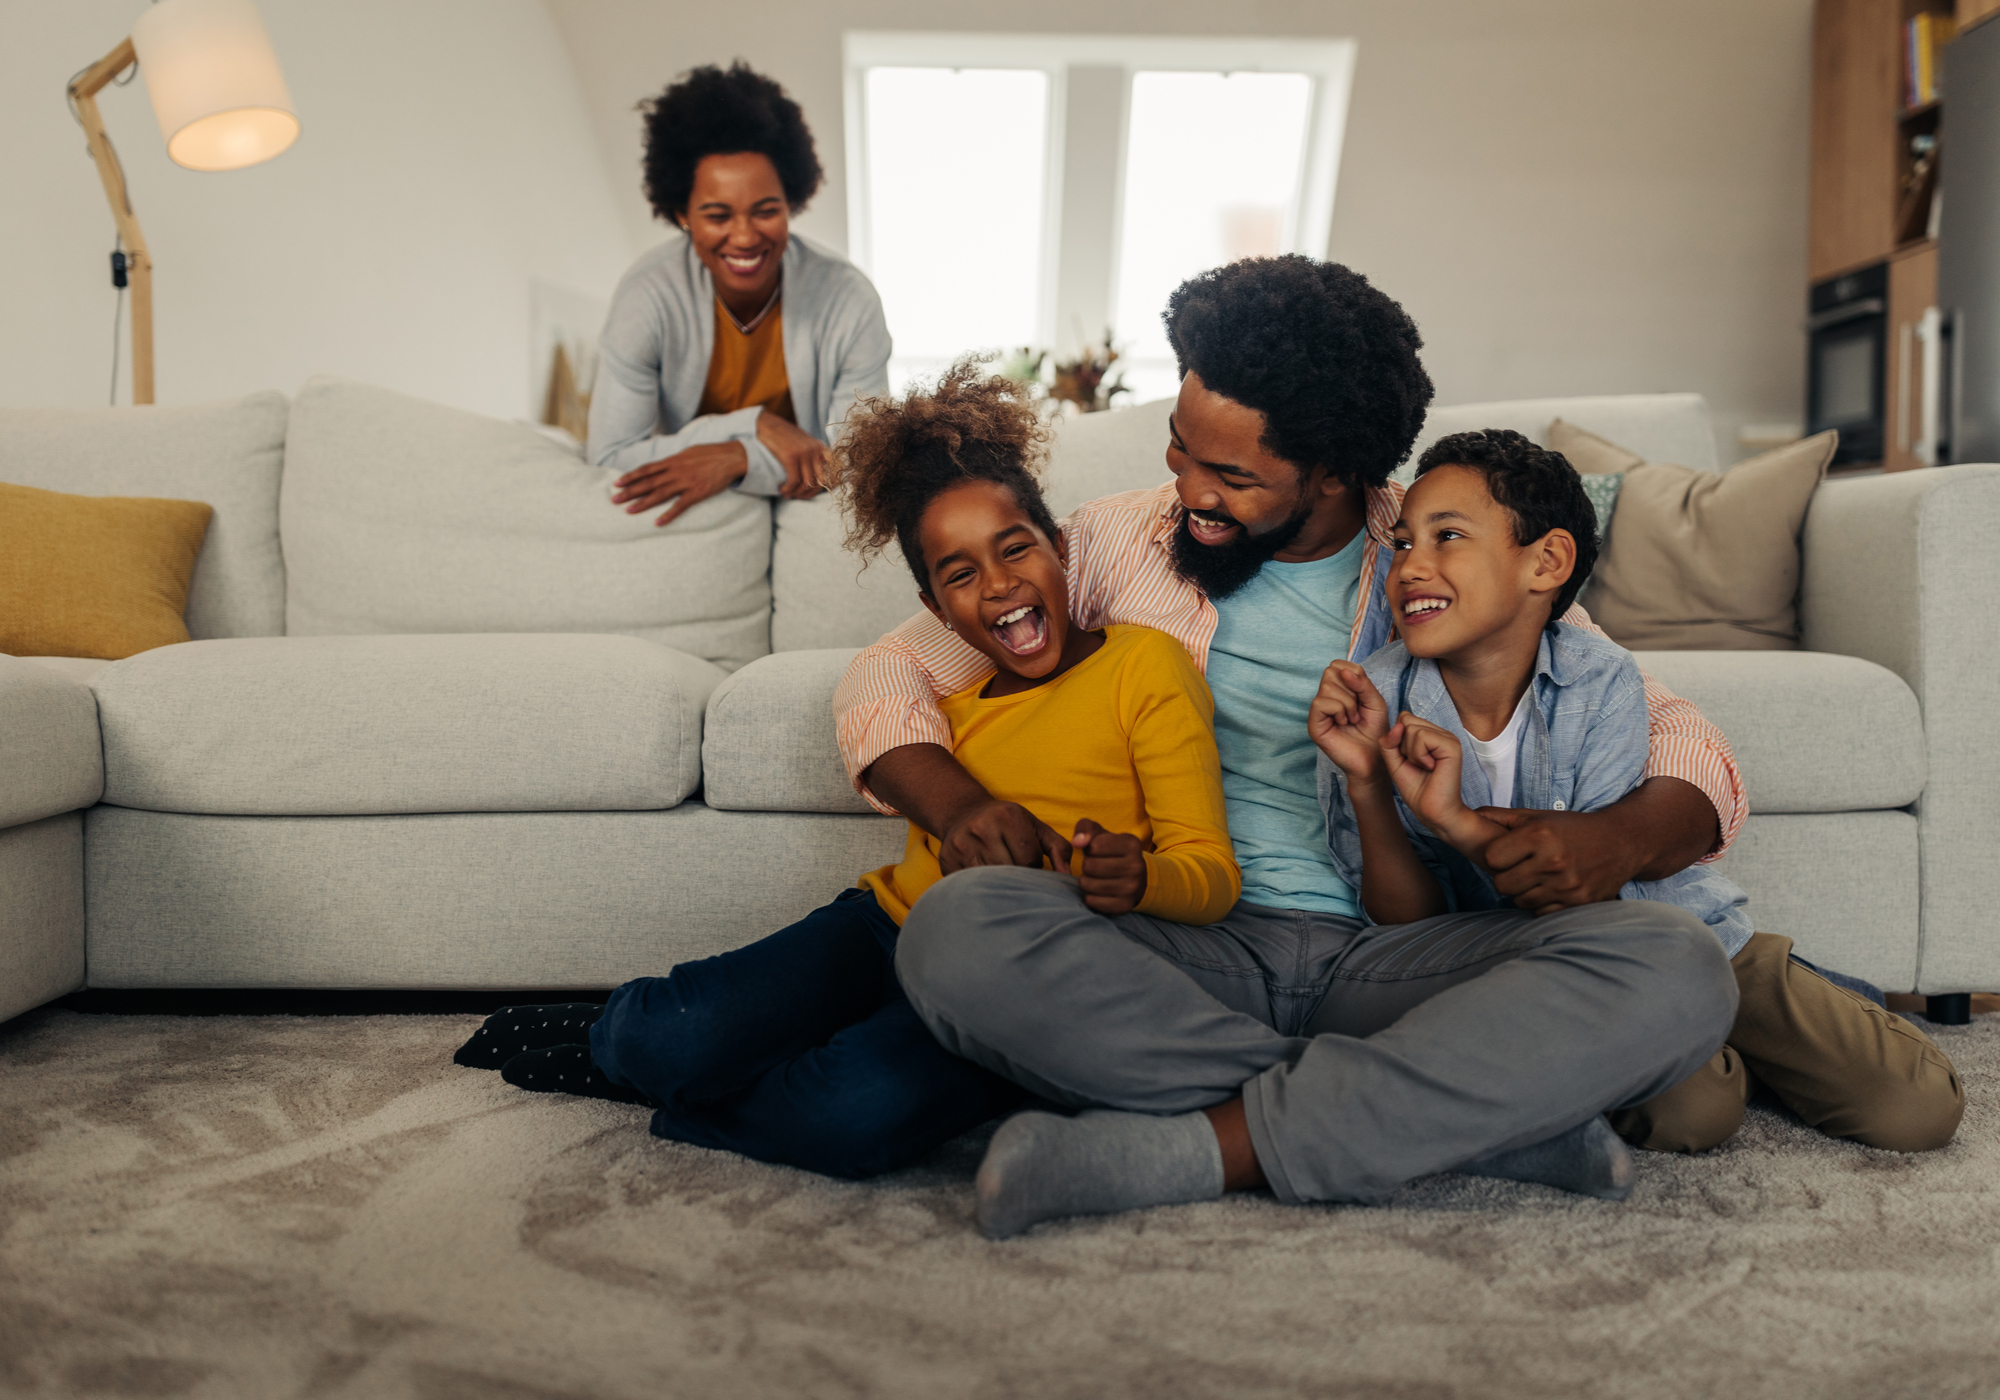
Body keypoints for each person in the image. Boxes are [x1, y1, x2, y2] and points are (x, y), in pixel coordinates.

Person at [838, 256, 1747, 1238]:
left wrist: (1618, 835)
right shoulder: (1114, 543)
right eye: (1179, 448)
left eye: (1229, 475)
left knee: (1678, 964)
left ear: (1330, 473)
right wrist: (960, 806)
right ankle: (1473, 1125)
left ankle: (1198, 1145)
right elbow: (887, 675)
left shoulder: (1434, 553)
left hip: (1393, 957)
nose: (1184, 489)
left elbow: (1677, 730)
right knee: (955, 928)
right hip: (1182, 949)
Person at [453, 365, 1240, 1180]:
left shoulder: (1145, 665)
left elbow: (1211, 876)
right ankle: (618, 1042)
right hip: (887, 928)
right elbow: (878, 690)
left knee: (853, 1117)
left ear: (1060, 550)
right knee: (665, 1034)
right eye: (960, 574)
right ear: (936, 608)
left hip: (1017, 981)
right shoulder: (950, 696)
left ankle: (681, 1091)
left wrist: (1138, 878)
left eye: (1016, 550)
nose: (1000, 585)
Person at [1313, 429, 1962, 1158]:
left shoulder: (1599, 679)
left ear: (1547, 562)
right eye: (1402, 545)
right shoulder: (1376, 700)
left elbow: (1589, 893)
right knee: (1689, 1116)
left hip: (1671, 932)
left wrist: (1459, 824)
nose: (1411, 568)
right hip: (1545, 973)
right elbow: (1410, 929)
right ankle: (1737, 1056)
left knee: (1917, 1109)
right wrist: (1368, 785)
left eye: (1448, 537)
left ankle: (1809, 1003)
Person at [587, 62, 892, 528]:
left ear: (791, 202)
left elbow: (860, 464)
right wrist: (754, 426)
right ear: (682, 213)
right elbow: (609, 455)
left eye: (765, 210)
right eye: (717, 215)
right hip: (702, 519)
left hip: (807, 514)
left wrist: (736, 458)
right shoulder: (647, 296)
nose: (745, 237)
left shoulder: (849, 301)